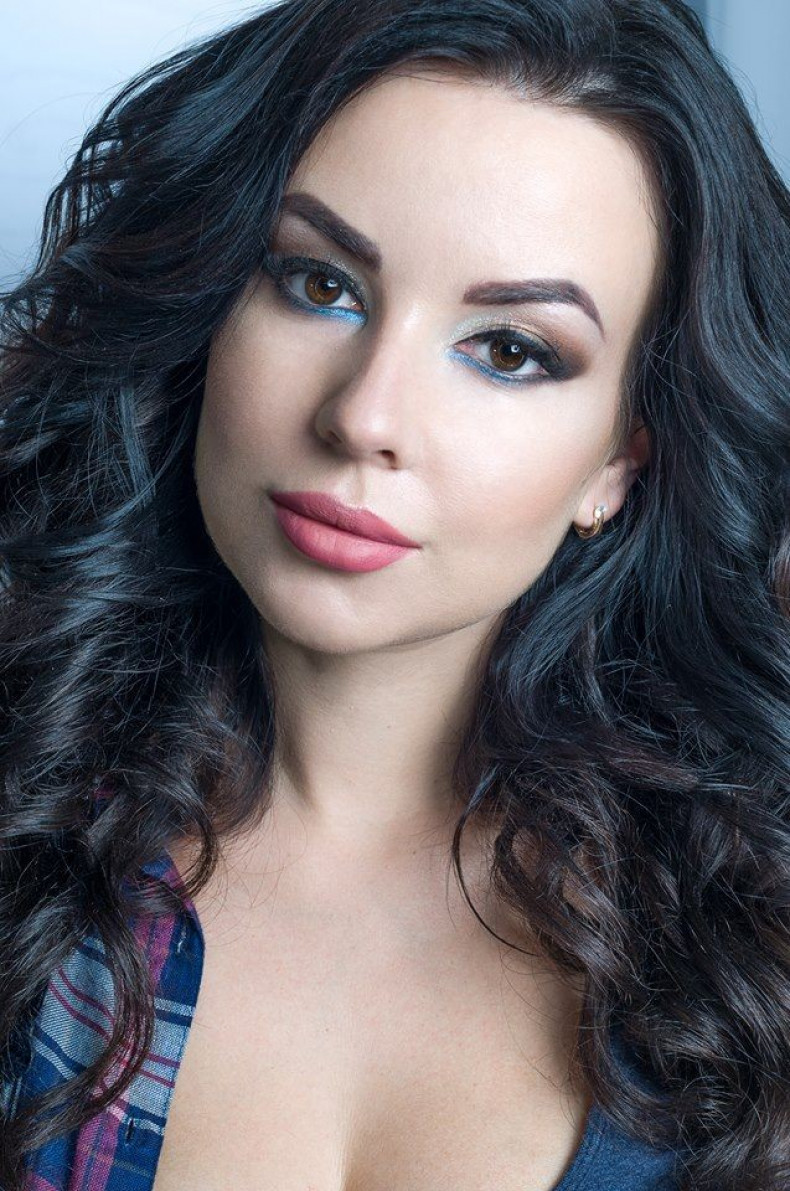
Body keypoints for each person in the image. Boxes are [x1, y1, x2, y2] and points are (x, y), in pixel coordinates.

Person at [0, 0, 788, 1188]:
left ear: (620, 462)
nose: (364, 415)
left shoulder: (754, 943)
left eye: (508, 350)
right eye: (319, 284)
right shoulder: (27, 846)